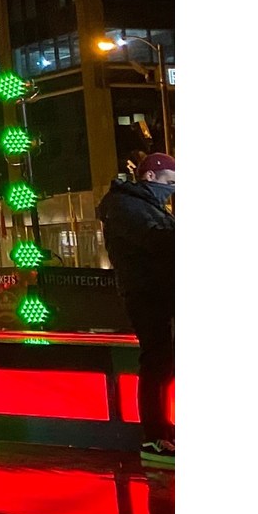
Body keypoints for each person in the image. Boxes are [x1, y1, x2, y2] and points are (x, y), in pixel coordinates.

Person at [97, 152, 175, 467]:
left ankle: (161, 432)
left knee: (164, 362)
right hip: (148, 294)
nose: (173, 189)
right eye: (170, 182)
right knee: (157, 360)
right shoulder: (125, 206)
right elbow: (158, 241)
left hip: (160, 291)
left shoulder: (146, 205)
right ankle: (155, 436)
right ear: (150, 176)